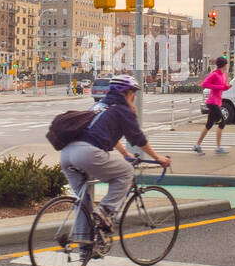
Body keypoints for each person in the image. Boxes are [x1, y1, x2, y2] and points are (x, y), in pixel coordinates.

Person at [59, 74, 171, 237]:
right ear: (126, 93)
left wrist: (125, 153)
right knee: (126, 172)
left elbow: (105, 135)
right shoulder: (122, 110)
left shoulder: (99, 106)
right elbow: (138, 139)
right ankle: (105, 210)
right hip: (87, 152)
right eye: (133, 92)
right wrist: (158, 158)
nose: (134, 97)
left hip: (67, 154)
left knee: (83, 202)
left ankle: (85, 247)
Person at [194, 57, 231, 154]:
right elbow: (204, 84)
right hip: (212, 102)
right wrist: (220, 87)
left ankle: (197, 145)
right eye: (227, 63)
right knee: (222, 123)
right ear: (223, 65)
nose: (228, 65)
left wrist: (227, 87)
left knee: (209, 124)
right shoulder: (215, 74)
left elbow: (222, 88)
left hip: (217, 102)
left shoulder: (224, 75)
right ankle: (218, 148)